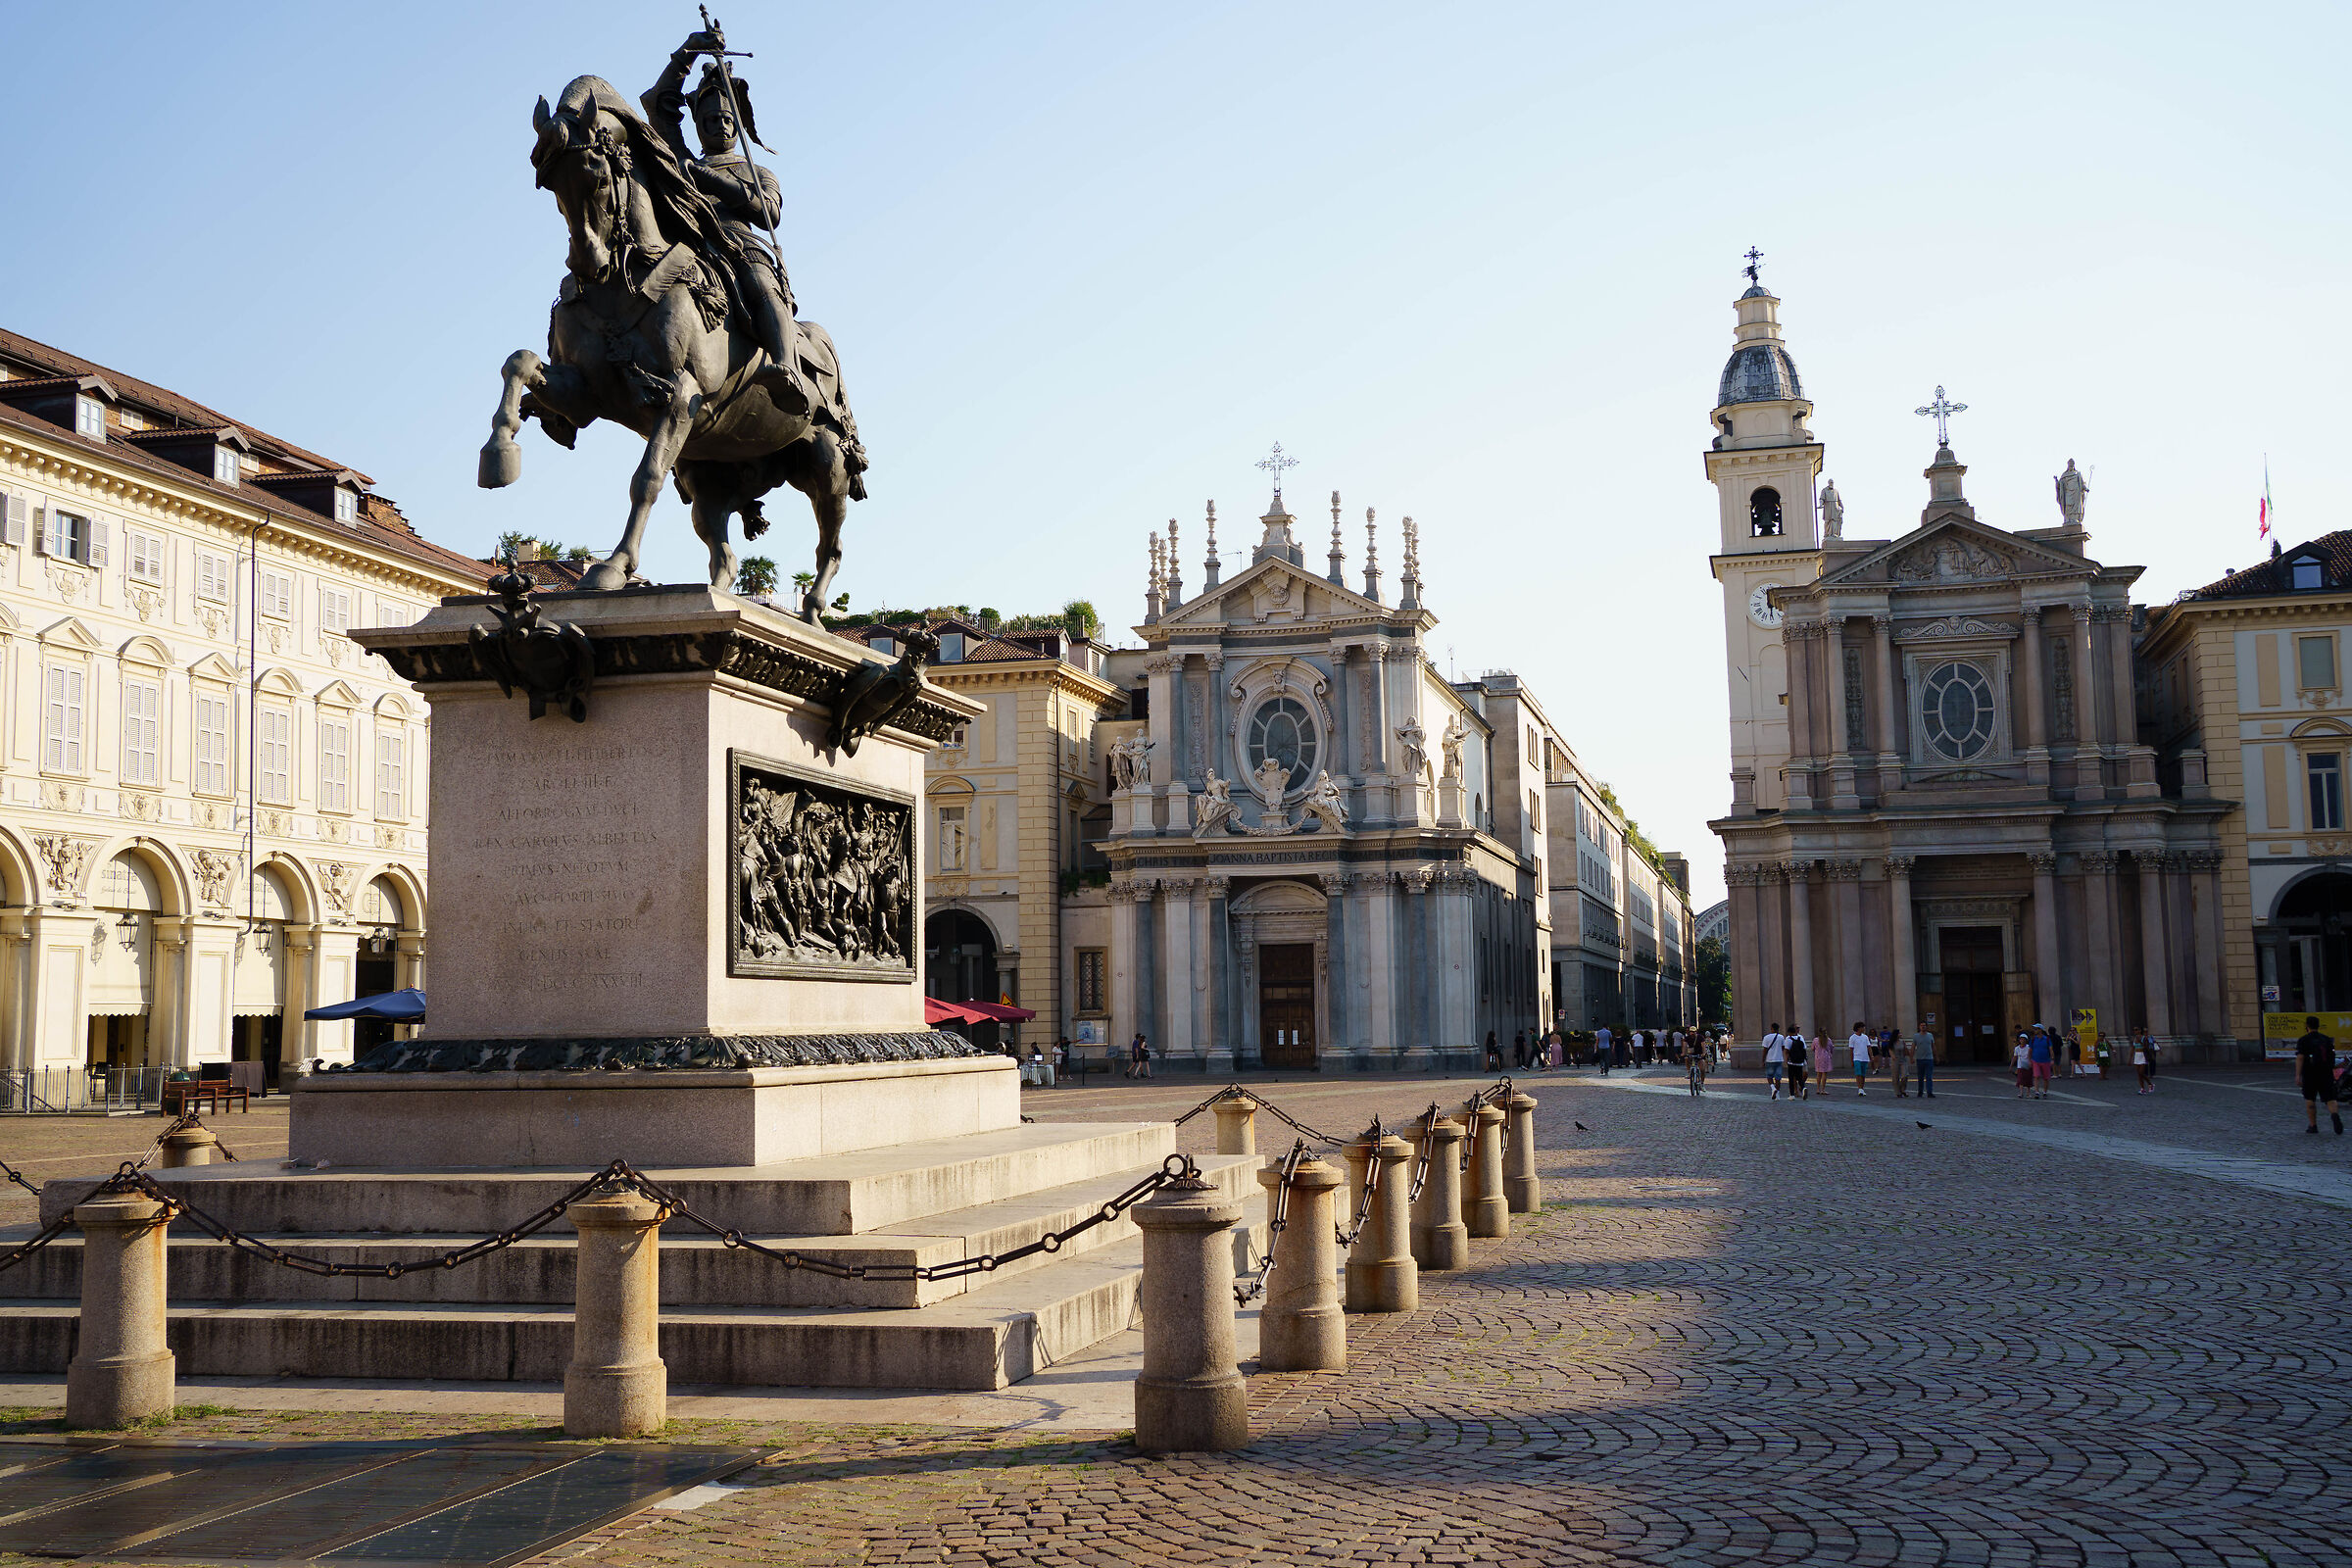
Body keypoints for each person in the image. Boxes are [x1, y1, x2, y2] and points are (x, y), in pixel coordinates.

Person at [643, 30, 820, 416]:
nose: (720, 125)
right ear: (697, 123)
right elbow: (661, 104)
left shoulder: (756, 171)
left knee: (760, 283)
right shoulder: (682, 159)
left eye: (726, 119)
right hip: (688, 244)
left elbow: (768, 211)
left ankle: (786, 364)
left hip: (740, 246)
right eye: (710, 119)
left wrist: (707, 179)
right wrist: (687, 52)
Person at [2296, 1016, 2342, 1135]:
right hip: (2325, 1072)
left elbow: (2300, 1057)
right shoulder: (2326, 1039)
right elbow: (2332, 1056)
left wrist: (2298, 1075)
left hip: (2310, 1073)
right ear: (2318, 1025)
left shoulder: (2304, 1040)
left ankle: (2313, 1125)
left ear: (2307, 1026)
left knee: (2310, 1098)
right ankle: (2334, 1114)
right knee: (2330, 1098)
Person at [2029, 1026, 2055, 1100]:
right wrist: (2029, 1060)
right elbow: (2030, 1050)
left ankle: (2045, 1092)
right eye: (2034, 1029)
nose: (2035, 1030)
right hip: (2035, 1060)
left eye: (2036, 1029)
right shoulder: (2033, 1039)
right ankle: (2037, 1092)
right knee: (2036, 1076)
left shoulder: (2047, 1039)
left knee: (2046, 1078)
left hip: (2046, 1061)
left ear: (2040, 1030)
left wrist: (2052, 1059)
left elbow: (2051, 1049)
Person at [1847, 1021, 1873, 1095]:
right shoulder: (1852, 1038)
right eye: (1863, 1027)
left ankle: (1862, 1088)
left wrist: (1871, 1056)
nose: (1864, 1028)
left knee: (1863, 1074)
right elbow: (1851, 1050)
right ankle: (1859, 1088)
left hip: (1864, 1057)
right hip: (1857, 1057)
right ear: (1859, 1028)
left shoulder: (1865, 1037)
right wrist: (1852, 1060)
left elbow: (1869, 1047)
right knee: (1858, 1073)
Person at [1763, 1024, 1788, 1102]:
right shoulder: (1781, 1037)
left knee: (1769, 1076)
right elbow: (1783, 1047)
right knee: (1778, 1078)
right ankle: (1778, 1095)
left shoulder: (1766, 1037)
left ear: (1771, 1028)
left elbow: (1765, 1050)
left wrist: (1763, 1059)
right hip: (1779, 1059)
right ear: (1778, 1029)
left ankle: (1773, 1088)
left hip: (1770, 1059)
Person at [1892, 1030, 1916, 1099]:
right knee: (1895, 1077)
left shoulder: (1902, 1042)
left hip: (1903, 1060)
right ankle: (1898, 1092)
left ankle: (1903, 1089)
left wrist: (1911, 1057)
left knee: (1905, 1075)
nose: (1901, 1034)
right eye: (1899, 1033)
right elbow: (1890, 1051)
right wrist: (1893, 1056)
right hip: (1895, 1061)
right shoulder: (1891, 1043)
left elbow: (1906, 1050)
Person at [1915, 1026, 1936, 1099]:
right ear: (1919, 1027)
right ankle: (1920, 1092)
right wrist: (1911, 1057)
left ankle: (1929, 1092)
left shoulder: (1930, 1035)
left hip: (1929, 1058)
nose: (1923, 1027)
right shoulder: (1916, 1036)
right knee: (1920, 1077)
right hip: (1919, 1059)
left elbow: (1933, 1046)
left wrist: (1936, 1056)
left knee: (1929, 1076)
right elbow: (1913, 1046)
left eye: (1924, 1025)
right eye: (1921, 1026)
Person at [1810, 1030, 1833, 1096]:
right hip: (1826, 1058)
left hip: (1818, 1058)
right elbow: (1831, 1048)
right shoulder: (1828, 1040)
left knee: (1818, 1073)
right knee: (1824, 1074)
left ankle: (1818, 1089)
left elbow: (1812, 1048)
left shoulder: (1815, 1040)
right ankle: (1823, 1089)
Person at [2012, 1032, 2034, 1099]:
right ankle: (2021, 1093)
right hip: (2020, 1066)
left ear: (2026, 1040)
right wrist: (2011, 1065)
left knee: (2028, 1079)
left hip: (2028, 1065)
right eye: (2021, 1039)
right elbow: (2015, 1057)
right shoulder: (2017, 1048)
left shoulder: (2029, 1047)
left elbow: (2032, 1055)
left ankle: (2028, 1093)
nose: (2022, 1040)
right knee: (2020, 1080)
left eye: (2024, 1039)